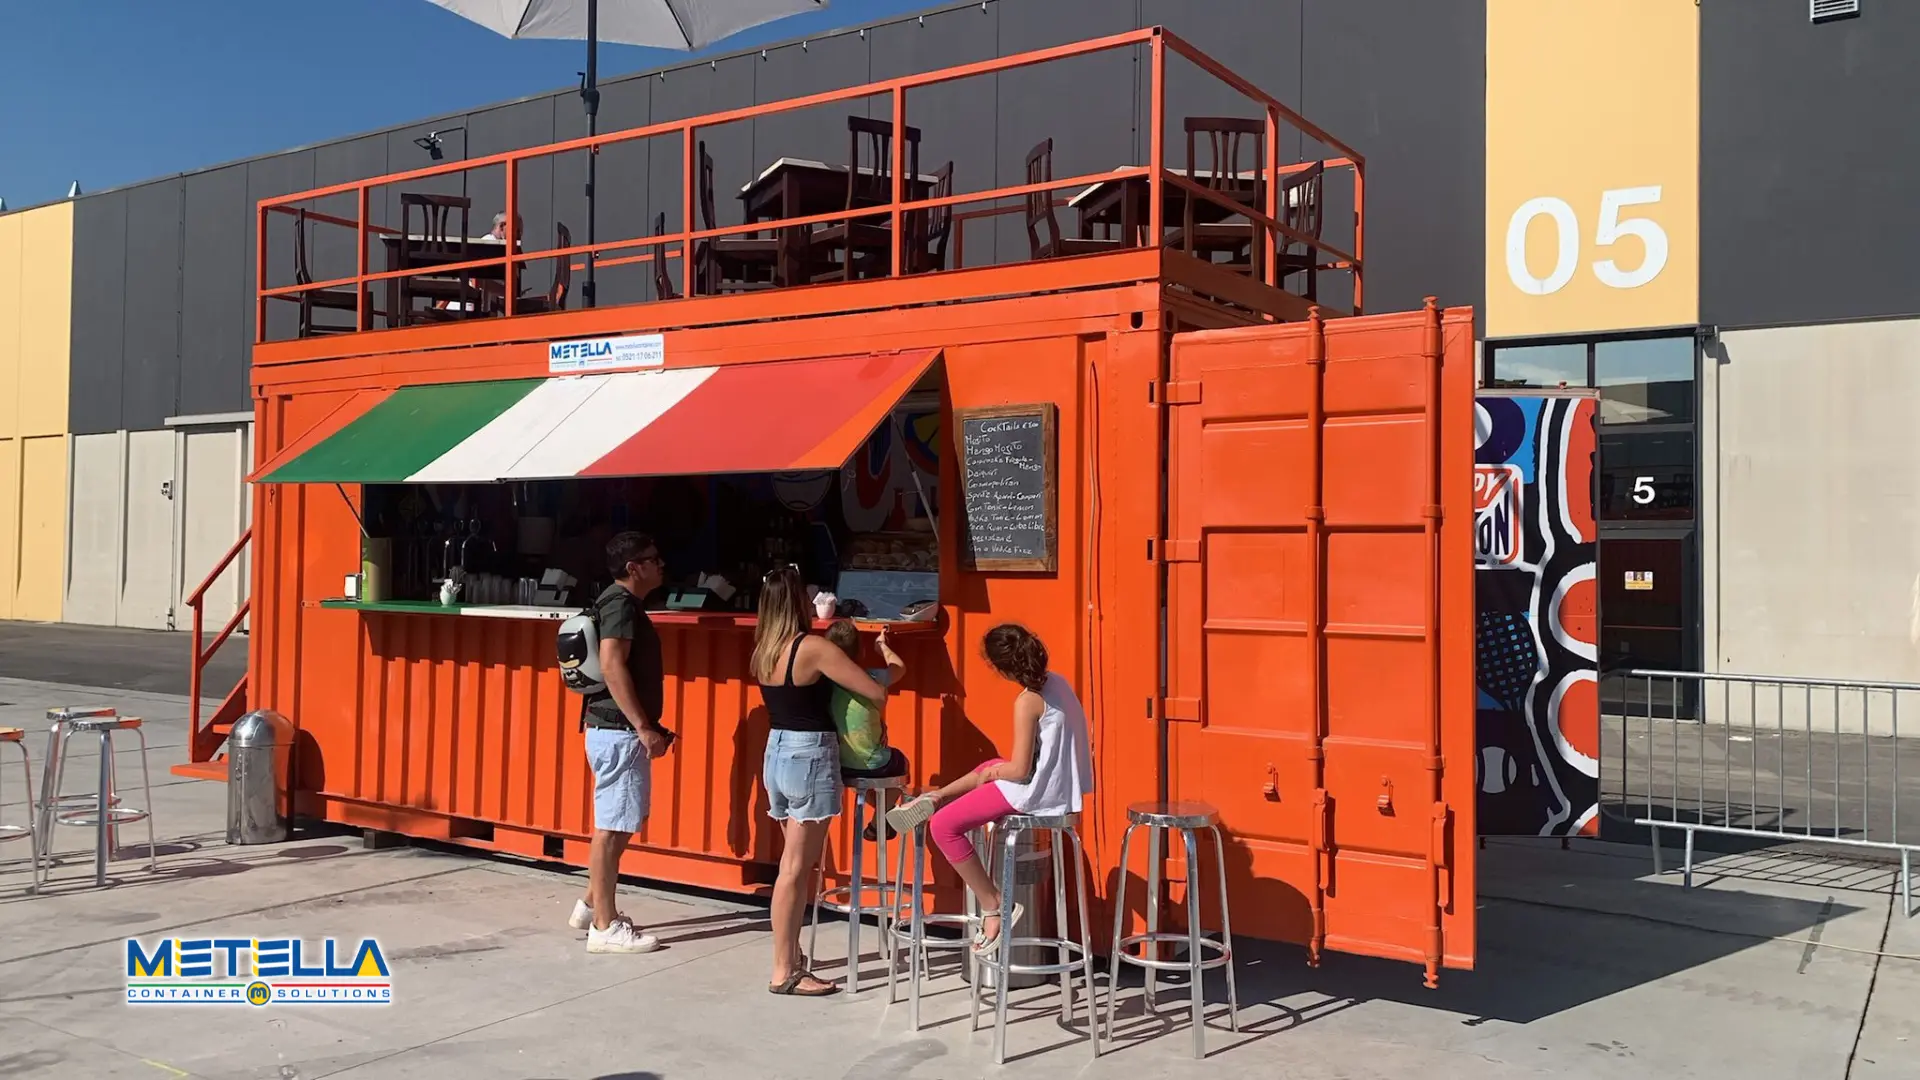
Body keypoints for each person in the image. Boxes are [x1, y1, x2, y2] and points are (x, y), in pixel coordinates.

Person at [885, 624, 1092, 956]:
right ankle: (935, 797)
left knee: (943, 827)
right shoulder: (1058, 683)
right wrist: (995, 770)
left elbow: (1019, 770)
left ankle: (994, 904)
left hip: (1038, 793)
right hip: (1059, 786)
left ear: (1001, 668)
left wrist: (997, 773)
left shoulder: (1027, 701)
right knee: (988, 766)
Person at [754, 567, 889, 996]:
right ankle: (784, 970)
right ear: (798, 601)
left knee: (790, 865)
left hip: (776, 751)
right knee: (795, 869)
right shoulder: (812, 648)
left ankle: (791, 956)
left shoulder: (763, 649)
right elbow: (874, 691)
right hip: (809, 752)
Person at [567, 532, 676, 954]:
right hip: (619, 731)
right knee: (611, 829)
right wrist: (643, 727)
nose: (660, 564)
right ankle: (604, 926)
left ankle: (590, 904)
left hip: (613, 730)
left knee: (622, 821)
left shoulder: (617, 602)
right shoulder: (622, 605)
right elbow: (613, 665)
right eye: (653, 558)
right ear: (634, 568)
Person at [824, 620, 909, 841]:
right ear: (861, 651)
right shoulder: (871, 678)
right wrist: (882, 647)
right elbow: (899, 668)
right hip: (872, 763)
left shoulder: (824, 683)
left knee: (863, 776)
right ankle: (880, 819)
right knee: (901, 764)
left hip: (839, 765)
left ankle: (882, 819)